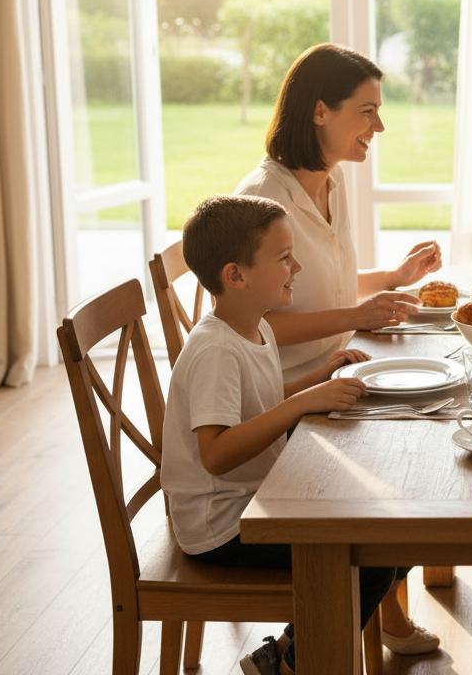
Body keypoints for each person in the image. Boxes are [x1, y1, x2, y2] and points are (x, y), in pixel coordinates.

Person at [160, 195, 440, 675]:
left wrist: (318, 377)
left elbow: (259, 398)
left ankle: (284, 649)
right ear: (236, 276)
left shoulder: (252, 326)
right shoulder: (215, 352)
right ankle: (296, 663)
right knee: (370, 558)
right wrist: (300, 404)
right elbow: (216, 454)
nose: (299, 265)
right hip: (223, 525)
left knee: (396, 526)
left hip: (257, 497)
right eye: (284, 257)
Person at [236, 43, 443, 383]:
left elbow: (320, 292)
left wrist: (394, 277)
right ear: (319, 112)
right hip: (286, 394)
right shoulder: (261, 199)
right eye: (367, 111)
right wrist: (354, 318)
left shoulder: (333, 179)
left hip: (341, 366)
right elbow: (247, 325)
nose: (379, 126)